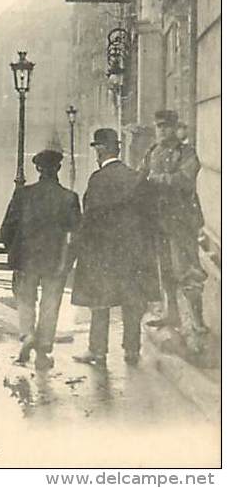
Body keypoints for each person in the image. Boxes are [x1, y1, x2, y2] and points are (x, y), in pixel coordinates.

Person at [71, 128, 159, 367]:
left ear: (100, 150)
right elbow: (149, 216)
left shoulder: (98, 180)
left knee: (100, 303)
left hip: (103, 253)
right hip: (132, 252)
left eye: (97, 148)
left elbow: (88, 219)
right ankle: (132, 350)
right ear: (117, 149)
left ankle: (97, 351)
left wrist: (79, 251)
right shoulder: (134, 177)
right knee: (131, 300)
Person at [0, 150, 81, 370]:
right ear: (58, 169)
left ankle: (27, 334)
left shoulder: (23, 194)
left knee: (25, 299)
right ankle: (44, 350)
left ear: (38, 169)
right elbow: (76, 236)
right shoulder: (69, 197)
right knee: (50, 303)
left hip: (26, 258)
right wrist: (68, 260)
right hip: (55, 261)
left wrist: (13, 251)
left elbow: (6, 228)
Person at [139, 110, 208, 333]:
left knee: (188, 271)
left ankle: (197, 321)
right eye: (158, 127)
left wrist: (156, 180)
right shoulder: (152, 152)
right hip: (158, 220)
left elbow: (186, 180)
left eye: (166, 126)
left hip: (181, 221)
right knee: (164, 269)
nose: (161, 131)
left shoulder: (186, 153)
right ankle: (172, 314)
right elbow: (141, 176)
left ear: (175, 128)